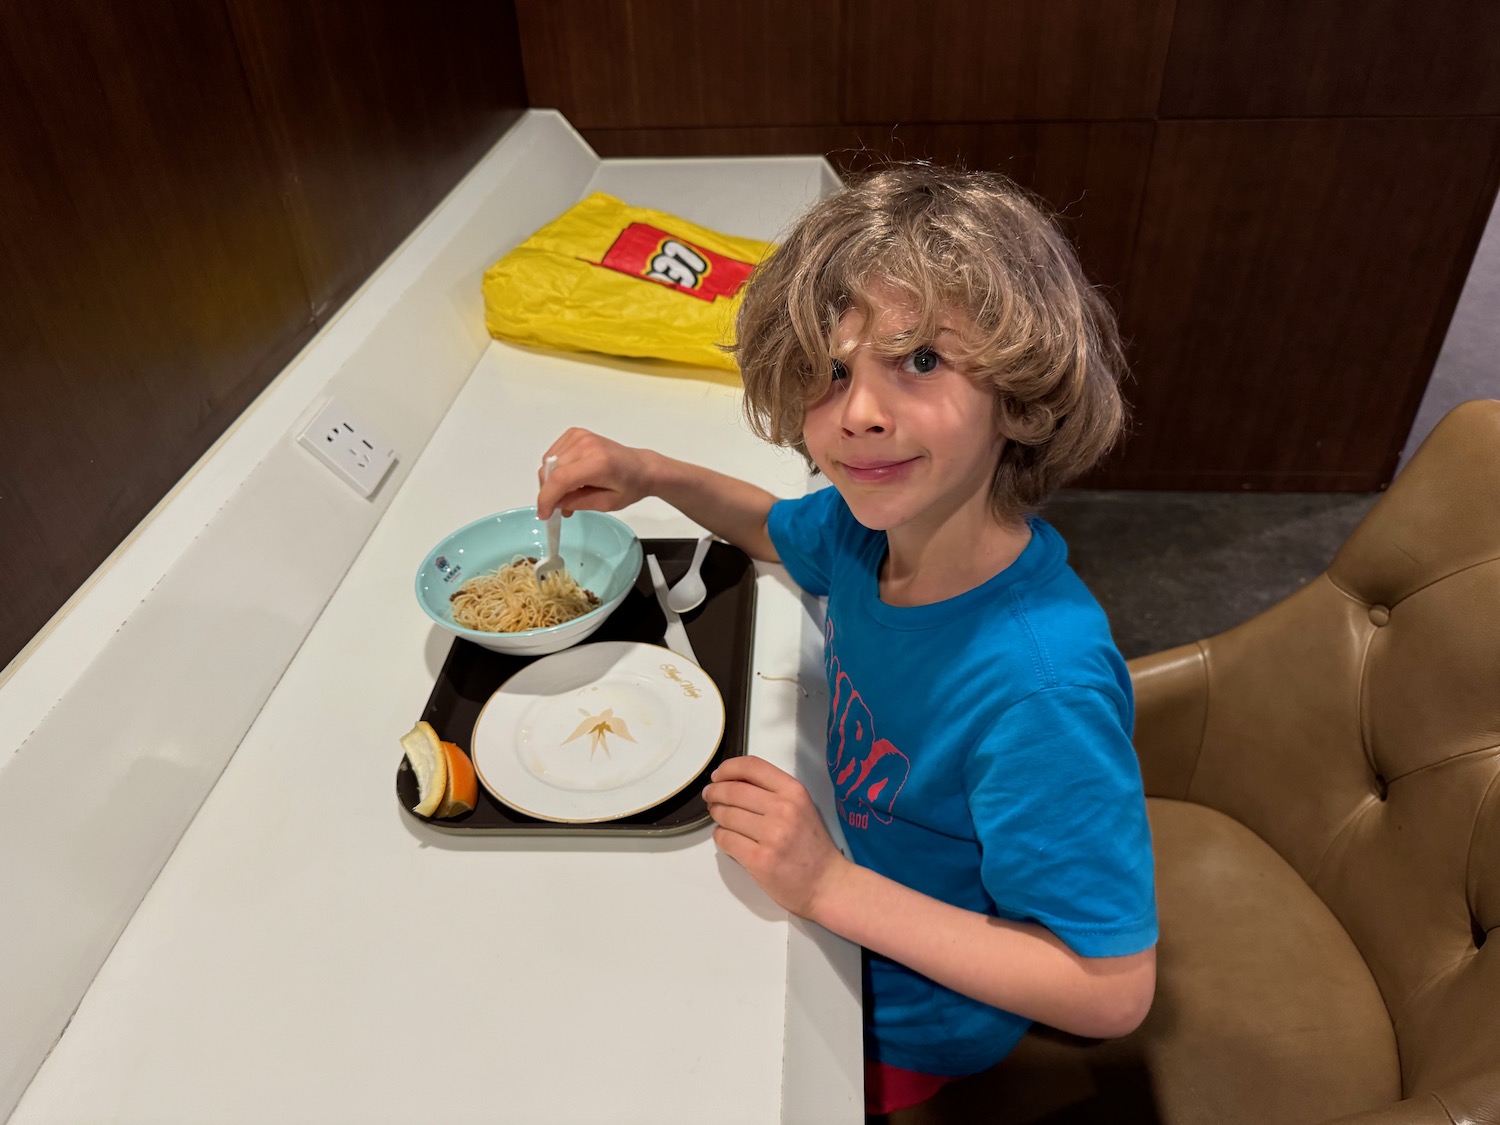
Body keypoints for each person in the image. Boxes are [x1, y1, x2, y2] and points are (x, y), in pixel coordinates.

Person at [535, 164, 1158, 1118]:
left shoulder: (1039, 689)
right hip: (838, 904)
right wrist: (651, 471)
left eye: (919, 361)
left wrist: (827, 885)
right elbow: (773, 524)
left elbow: (1110, 988)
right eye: (832, 372)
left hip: (906, 1012)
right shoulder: (872, 533)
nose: (859, 413)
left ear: (1022, 396)